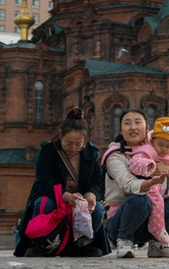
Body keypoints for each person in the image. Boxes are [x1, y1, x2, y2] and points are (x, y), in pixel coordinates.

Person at [14, 108, 108, 257]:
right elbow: (43, 182)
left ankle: (81, 245)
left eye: (79, 144)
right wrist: (66, 197)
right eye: (68, 143)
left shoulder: (92, 153)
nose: (73, 148)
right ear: (60, 134)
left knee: (97, 211)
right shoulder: (48, 151)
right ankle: (43, 243)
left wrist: (91, 195)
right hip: (54, 197)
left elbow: (97, 181)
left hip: (80, 200)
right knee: (44, 204)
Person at [103, 109, 169, 258]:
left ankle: (157, 244)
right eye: (127, 123)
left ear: (147, 129)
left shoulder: (158, 149)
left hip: (150, 222)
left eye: (137, 122)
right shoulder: (115, 155)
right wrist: (150, 183)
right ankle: (124, 240)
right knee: (140, 198)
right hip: (121, 222)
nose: (133, 127)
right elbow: (128, 184)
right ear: (121, 129)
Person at [126, 117, 169, 244]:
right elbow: (135, 162)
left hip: (167, 191)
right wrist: (150, 166)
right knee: (157, 202)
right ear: (152, 141)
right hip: (152, 187)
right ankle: (158, 229)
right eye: (160, 145)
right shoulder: (146, 151)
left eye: (168, 146)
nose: (163, 149)